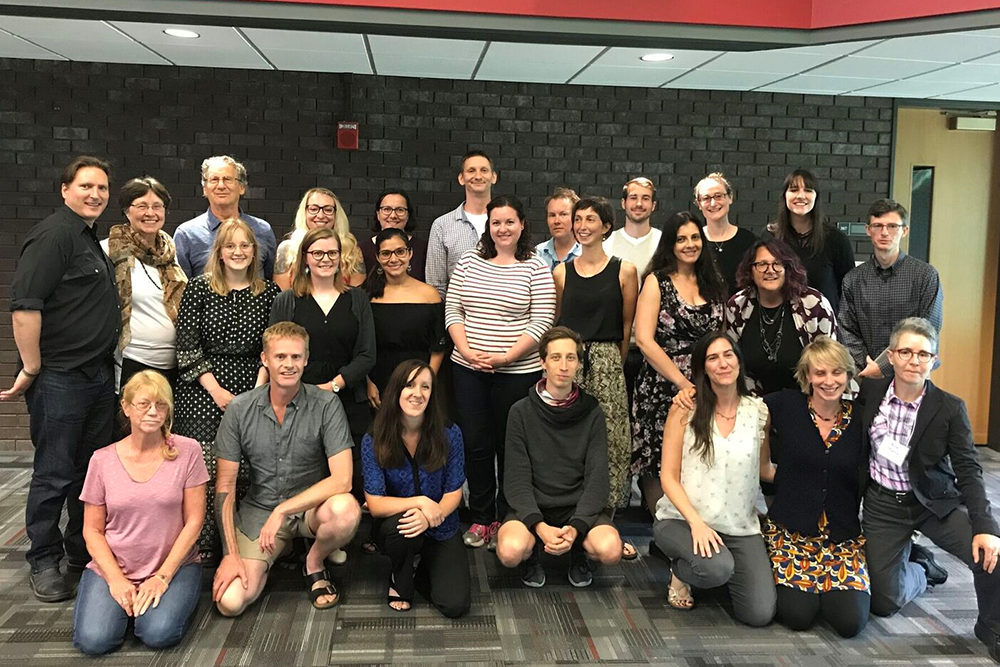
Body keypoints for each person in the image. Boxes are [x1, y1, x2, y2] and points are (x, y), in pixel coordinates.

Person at [4, 156, 121, 602]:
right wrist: (32, 368)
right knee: (54, 474)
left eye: (103, 188)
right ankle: (44, 560)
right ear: (65, 189)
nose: (95, 194)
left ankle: (80, 552)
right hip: (59, 379)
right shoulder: (54, 235)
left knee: (87, 476)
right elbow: (25, 308)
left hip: (94, 378)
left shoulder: (86, 238)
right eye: (87, 186)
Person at [860, 317, 1000, 663]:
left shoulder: (950, 407)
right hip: (882, 505)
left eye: (923, 354)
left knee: (991, 555)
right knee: (883, 602)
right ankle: (922, 567)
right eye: (905, 351)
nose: (914, 360)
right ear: (890, 356)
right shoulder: (869, 394)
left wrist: (985, 528)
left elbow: (968, 469)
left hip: (933, 503)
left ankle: (992, 627)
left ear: (934, 360)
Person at [212, 322, 361, 616]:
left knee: (347, 510)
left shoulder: (326, 404)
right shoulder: (239, 410)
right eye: (280, 357)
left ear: (306, 359)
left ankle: (314, 562)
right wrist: (230, 555)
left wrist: (283, 510)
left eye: (296, 357)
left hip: (311, 508)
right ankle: (279, 552)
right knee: (230, 603)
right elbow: (225, 488)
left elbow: (343, 479)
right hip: (260, 510)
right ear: (265, 360)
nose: (289, 365)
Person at [445, 195, 556, 549]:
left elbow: (542, 321)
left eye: (510, 222)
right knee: (476, 445)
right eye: (496, 222)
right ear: (487, 227)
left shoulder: (536, 266)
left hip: (518, 372)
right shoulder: (468, 262)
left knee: (512, 447)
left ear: (522, 225)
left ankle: (511, 517)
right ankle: (482, 518)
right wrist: (466, 351)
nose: (503, 228)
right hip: (468, 370)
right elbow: (453, 311)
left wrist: (506, 357)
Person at [73, 371, 207, 655]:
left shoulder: (188, 451)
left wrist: (162, 577)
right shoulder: (102, 460)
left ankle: (143, 610)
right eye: (143, 404)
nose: (153, 412)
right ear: (126, 407)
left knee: (158, 634)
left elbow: (195, 522)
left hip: (173, 566)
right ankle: (128, 606)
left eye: (161, 405)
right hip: (116, 565)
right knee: (94, 642)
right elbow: (92, 530)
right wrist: (116, 581)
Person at [173, 219, 281, 559]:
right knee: (205, 464)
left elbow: (273, 348)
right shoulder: (199, 288)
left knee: (249, 462)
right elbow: (187, 347)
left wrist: (256, 392)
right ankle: (204, 541)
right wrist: (217, 391)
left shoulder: (271, 294)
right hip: (202, 387)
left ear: (255, 251)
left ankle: (240, 537)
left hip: (254, 386)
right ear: (218, 252)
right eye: (230, 246)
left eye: (245, 246)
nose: (238, 252)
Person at [653, 332, 776, 626]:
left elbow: (764, 469)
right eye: (712, 358)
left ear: (738, 361)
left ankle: (718, 565)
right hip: (683, 521)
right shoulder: (685, 409)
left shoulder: (758, 411)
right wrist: (696, 524)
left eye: (728, 355)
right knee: (715, 569)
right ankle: (682, 572)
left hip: (739, 526)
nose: (722, 363)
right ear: (703, 368)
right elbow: (667, 477)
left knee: (759, 615)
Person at [497, 327, 623, 588]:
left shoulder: (592, 412)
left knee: (610, 550)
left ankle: (577, 551)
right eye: (555, 358)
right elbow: (516, 481)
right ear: (542, 362)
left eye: (570, 358)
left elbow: (598, 477)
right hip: (535, 504)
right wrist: (539, 525)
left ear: (578, 362)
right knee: (510, 552)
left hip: (576, 507)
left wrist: (577, 526)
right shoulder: (519, 412)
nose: (563, 366)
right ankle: (531, 556)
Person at [762, 337, 870, 637]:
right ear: (807, 376)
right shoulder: (784, 405)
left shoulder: (862, 417)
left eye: (837, 372)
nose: (828, 380)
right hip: (792, 534)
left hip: (842, 538)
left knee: (850, 624)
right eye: (819, 373)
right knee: (797, 616)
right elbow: (734, 402)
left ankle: (919, 565)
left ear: (848, 376)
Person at [269, 226, 376, 521]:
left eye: (332, 253)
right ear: (305, 257)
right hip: (298, 401)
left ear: (341, 258)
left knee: (349, 474)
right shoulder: (287, 301)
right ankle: (301, 532)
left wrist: (335, 385)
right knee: (303, 467)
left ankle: (338, 535)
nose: (325, 259)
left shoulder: (357, 299)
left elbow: (367, 354)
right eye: (318, 253)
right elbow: (274, 350)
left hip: (348, 399)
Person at [553, 196, 638, 558]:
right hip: (569, 362)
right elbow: (558, 323)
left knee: (611, 441)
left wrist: (609, 364)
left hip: (606, 360)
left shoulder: (625, 270)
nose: (583, 225)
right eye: (578, 219)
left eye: (591, 219)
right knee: (568, 437)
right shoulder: (561, 272)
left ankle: (607, 518)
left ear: (606, 226)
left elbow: (627, 325)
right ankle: (567, 514)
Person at [631, 211, 725, 514]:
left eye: (695, 237)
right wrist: (683, 383)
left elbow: (722, 336)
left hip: (707, 385)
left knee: (698, 458)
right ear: (670, 244)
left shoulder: (714, 282)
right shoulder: (656, 282)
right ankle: (662, 533)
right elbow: (645, 340)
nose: (689, 244)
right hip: (663, 386)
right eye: (681, 238)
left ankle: (693, 529)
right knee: (659, 461)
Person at [361, 360, 470, 616]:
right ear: (397, 390)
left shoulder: (450, 434)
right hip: (397, 526)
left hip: (441, 523)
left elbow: (454, 492)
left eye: (425, 387)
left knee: (455, 605)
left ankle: (424, 568)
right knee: (402, 530)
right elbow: (375, 505)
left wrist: (431, 515)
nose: (417, 393)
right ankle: (400, 577)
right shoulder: (374, 438)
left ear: (432, 394)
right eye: (409, 385)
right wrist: (420, 503)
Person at [101, 177, 187, 440]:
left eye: (157, 206)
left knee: (164, 441)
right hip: (133, 364)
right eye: (141, 205)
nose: (150, 213)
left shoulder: (170, 254)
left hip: (173, 365)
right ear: (127, 210)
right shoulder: (108, 251)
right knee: (131, 439)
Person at [839, 199, 944, 380]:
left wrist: (884, 366)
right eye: (878, 226)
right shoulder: (853, 279)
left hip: (913, 373)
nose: (885, 232)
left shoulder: (925, 276)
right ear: (868, 230)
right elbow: (847, 330)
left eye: (892, 226)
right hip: (868, 375)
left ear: (905, 231)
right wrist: (868, 366)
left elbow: (928, 330)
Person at [725, 238, 838, 395]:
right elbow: (734, 364)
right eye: (762, 264)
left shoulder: (814, 304)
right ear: (750, 270)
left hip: (806, 397)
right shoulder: (738, 306)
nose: (770, 270)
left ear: (788, 268)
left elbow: (830, 362)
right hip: (753, 401)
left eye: (777, 263)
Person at [365, 228, 446, 404]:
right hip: (379, 382)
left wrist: (426, 383)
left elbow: (438, 346)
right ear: (378, 258)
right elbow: (361, 347)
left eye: (400, 252)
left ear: (410, 253)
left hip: (418, 379)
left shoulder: (429, 294)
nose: (394, 259)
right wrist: (368, 382)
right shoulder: (367, 295)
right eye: (386, 253)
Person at [603, 176, 663, 407]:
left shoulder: (663, 243)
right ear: (623, 202)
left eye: (645, 199)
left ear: (654, 205)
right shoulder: (607, 244)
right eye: (634, 198)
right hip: (617, 347)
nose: (639, 203)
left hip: (655, 348)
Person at [173, 155, 277, 279]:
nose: (221, 186)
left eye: (227, 179)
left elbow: (272, 279)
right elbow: (180, 288)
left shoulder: (263, 230)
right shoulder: (186, 234)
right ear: (205, 189)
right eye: (214, 180)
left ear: (242, 187)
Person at [767, 168, 854, 311]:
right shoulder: (770, 237)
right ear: (784, 196)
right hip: (778, 325)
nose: (801, 196)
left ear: (816, 197)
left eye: (808, 190)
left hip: (824, 328)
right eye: (794, 190)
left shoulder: (836, 240)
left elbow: (849, 292)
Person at [426, 150, 498, 299]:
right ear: (461, 178)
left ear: (494, 177)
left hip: (504, 316)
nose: (478, 176)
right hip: (458, 317)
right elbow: (436, 285)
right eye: (471, 171)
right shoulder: (442, 225)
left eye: (484, 170)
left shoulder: (509, 224)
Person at [273, 187, 365, 290]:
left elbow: (357, 298)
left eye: (328, 210)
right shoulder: (287, 250)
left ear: (336, 214)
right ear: (304, 212)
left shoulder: (351, 250)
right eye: (313, 209)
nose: (321, 215)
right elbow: (281, 297)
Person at [694, 172, 757, 296]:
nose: (713, 203)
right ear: (699, 204)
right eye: (706, 198)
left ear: (730, 197)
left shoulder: (751, 241)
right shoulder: (693, 242)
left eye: (718, 196)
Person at [358, 189, 429, 282]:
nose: (393, 215)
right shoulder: (361, 249)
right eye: (387, 209)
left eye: (400, 210)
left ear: (408, 215)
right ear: (378, 214)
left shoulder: (423, 249)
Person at [535, 187, 582, 270]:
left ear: (576, 218)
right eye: (552, 215)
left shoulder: (585, 254)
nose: (556, 221)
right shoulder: (537, 253)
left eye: (563, 214)